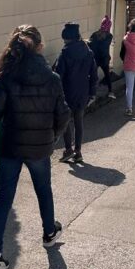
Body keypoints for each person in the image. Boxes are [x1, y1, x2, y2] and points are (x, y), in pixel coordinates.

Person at [0, 25, 70, 269]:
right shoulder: (52, 79)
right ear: (40, 47)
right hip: (39, 147)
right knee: (43, 190)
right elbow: (63, 115)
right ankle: (49, 232)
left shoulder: (6, 75)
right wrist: (52, 137)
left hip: (10, 145)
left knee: (4, 198)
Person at [54, 22, 97, 165]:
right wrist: (92, 93)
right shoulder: (88, 52)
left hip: (67, 92)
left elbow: (58, 75)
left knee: (65, 121)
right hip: (83, 92)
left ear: (67, 38)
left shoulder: (65, 53)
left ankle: (68, 149)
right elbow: (94, 74)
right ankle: (78, 151)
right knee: (79, 121)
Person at [89, 16, 116, 100]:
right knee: (107, 75)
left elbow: (90, 45)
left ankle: (91, 93)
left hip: (96, 58)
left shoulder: (95, 34)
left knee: (92, 75)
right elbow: (104, 46)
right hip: (104, 58)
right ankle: (110, 91)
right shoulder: (109, 36)